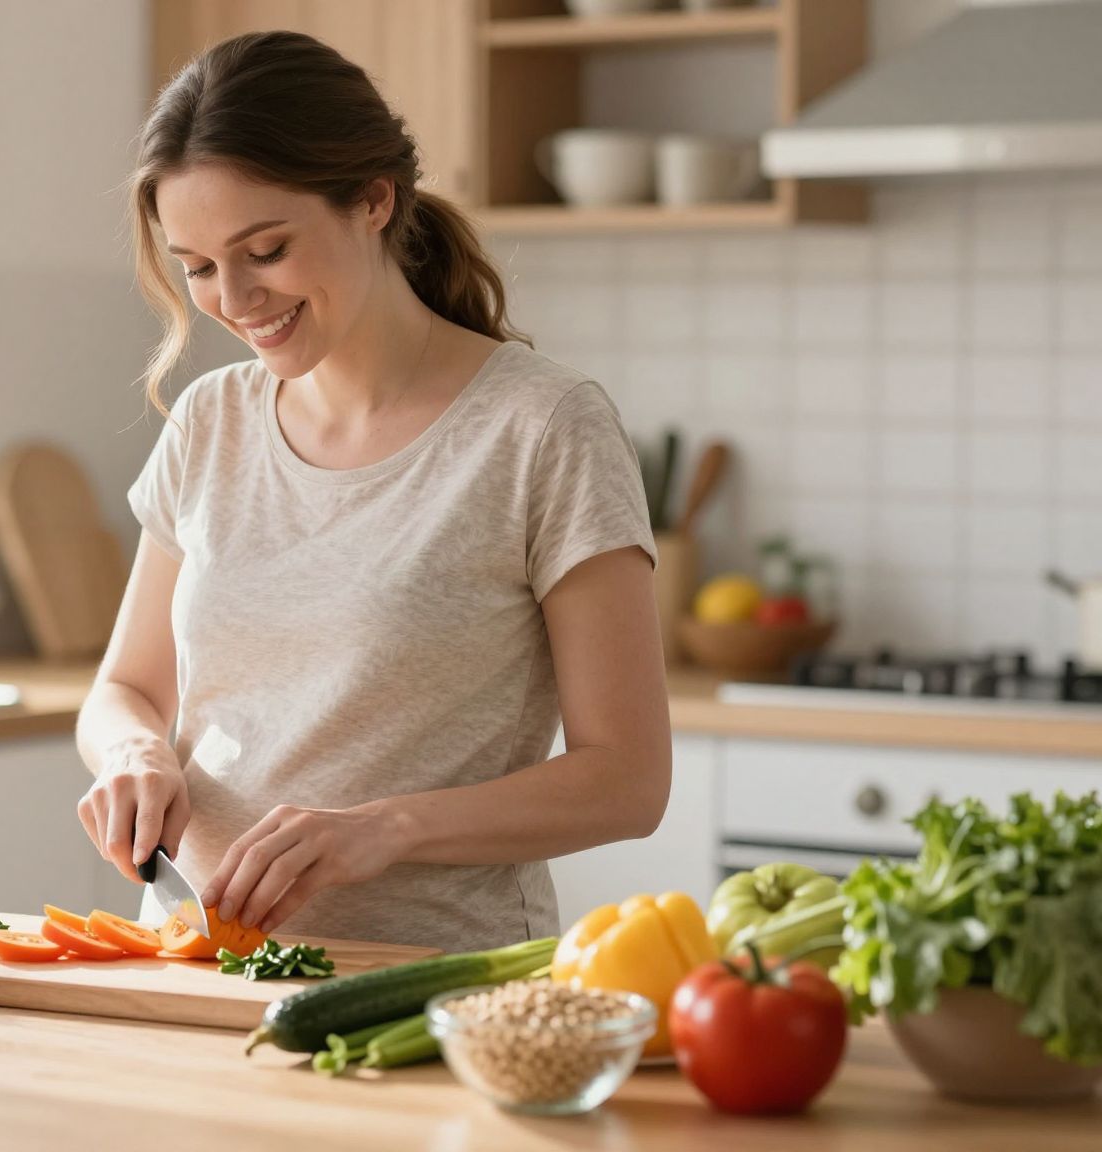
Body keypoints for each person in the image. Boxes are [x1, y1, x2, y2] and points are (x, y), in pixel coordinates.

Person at [74, 30, 672, 953]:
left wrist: (384, 829)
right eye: (196, 267)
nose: (232, 299)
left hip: (433, 987)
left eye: (264, 250)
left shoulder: (543, 428)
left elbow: (627, 780)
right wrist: (133, 752)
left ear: (373, 200)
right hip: (195, 965)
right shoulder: (210, 422)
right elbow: (125, 687)